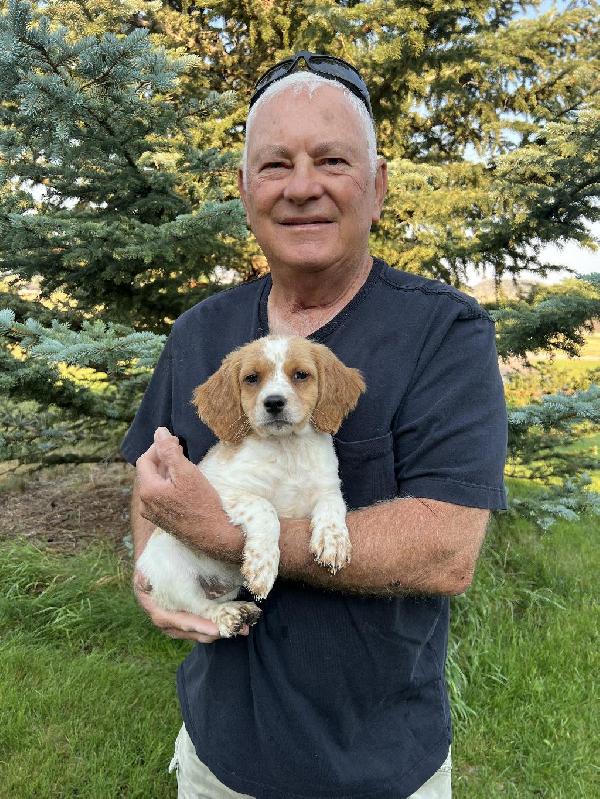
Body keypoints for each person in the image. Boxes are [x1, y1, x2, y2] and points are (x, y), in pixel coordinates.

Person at [122, 51, 508, 799]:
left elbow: (447, 553)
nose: (302, 186)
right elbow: (154, 477)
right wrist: (154, 576)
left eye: (331, 159)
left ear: (378, 185)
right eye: (275, 165)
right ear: (243, 189)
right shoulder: (201, 334)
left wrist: (230, 536)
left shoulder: (443, 333)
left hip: (380, 764)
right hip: (218, 755)